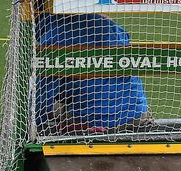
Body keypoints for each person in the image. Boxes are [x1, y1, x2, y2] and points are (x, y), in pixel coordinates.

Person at [34, 2, 150, 135]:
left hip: (92, 123)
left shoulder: (53, 37)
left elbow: (41, 102)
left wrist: (36, 128)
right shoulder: (109, 26)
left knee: (55, 108)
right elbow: (125, 37)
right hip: (137, 115)